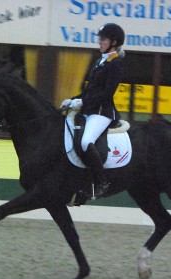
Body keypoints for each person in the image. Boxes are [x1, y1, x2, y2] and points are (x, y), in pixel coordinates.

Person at [61, 23, 125, 196]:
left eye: (103, 39)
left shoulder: (115, 63)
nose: (100, 42)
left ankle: (101, 182)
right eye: (100, 39)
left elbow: (106, 94)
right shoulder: (100, 62)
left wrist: (81, 103)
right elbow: (90, 91)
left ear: (114, 42)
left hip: (102, 112)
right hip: (89, 109)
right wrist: (72, 100)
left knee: (85, 141)